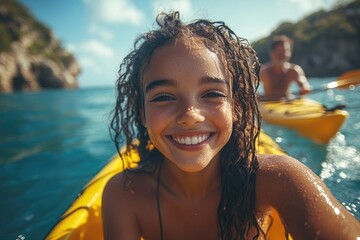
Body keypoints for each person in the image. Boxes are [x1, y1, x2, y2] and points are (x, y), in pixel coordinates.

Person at [102, 12, 360, 239]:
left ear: (236, 107)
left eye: (212, 94)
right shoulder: (124, 196)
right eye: (163, 97)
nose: (190, 115)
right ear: (143, 114)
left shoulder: (280, 180)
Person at [259, 35, 312, 101]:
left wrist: (305, 88)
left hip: (288, 102)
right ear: (271, 53)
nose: (282, 54)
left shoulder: (294, 70)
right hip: (268, 103)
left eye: (285, 51)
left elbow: (304, 83)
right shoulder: (263, 71)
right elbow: (250, 86)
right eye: (279, 51)